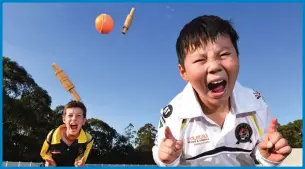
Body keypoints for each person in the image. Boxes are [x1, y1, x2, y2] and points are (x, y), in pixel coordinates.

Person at [152, 15, 292, 166]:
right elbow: (162, 153)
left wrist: (266, 156)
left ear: (238, 57)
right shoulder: (175, 114)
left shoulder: (255, 103)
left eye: (224, 55)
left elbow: (262, 149)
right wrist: (168, 157)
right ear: (183, 72)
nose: (214, 67)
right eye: (200, 60)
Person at [40, 100, 94, 166]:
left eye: (78, 115)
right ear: (64, 119)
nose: (74, 118)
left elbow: (82, 158)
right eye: (70, 115)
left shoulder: (88, 139)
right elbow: (43, 153)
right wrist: (49, 161)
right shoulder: (52, 134)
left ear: (84, 121)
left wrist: (79, 164)